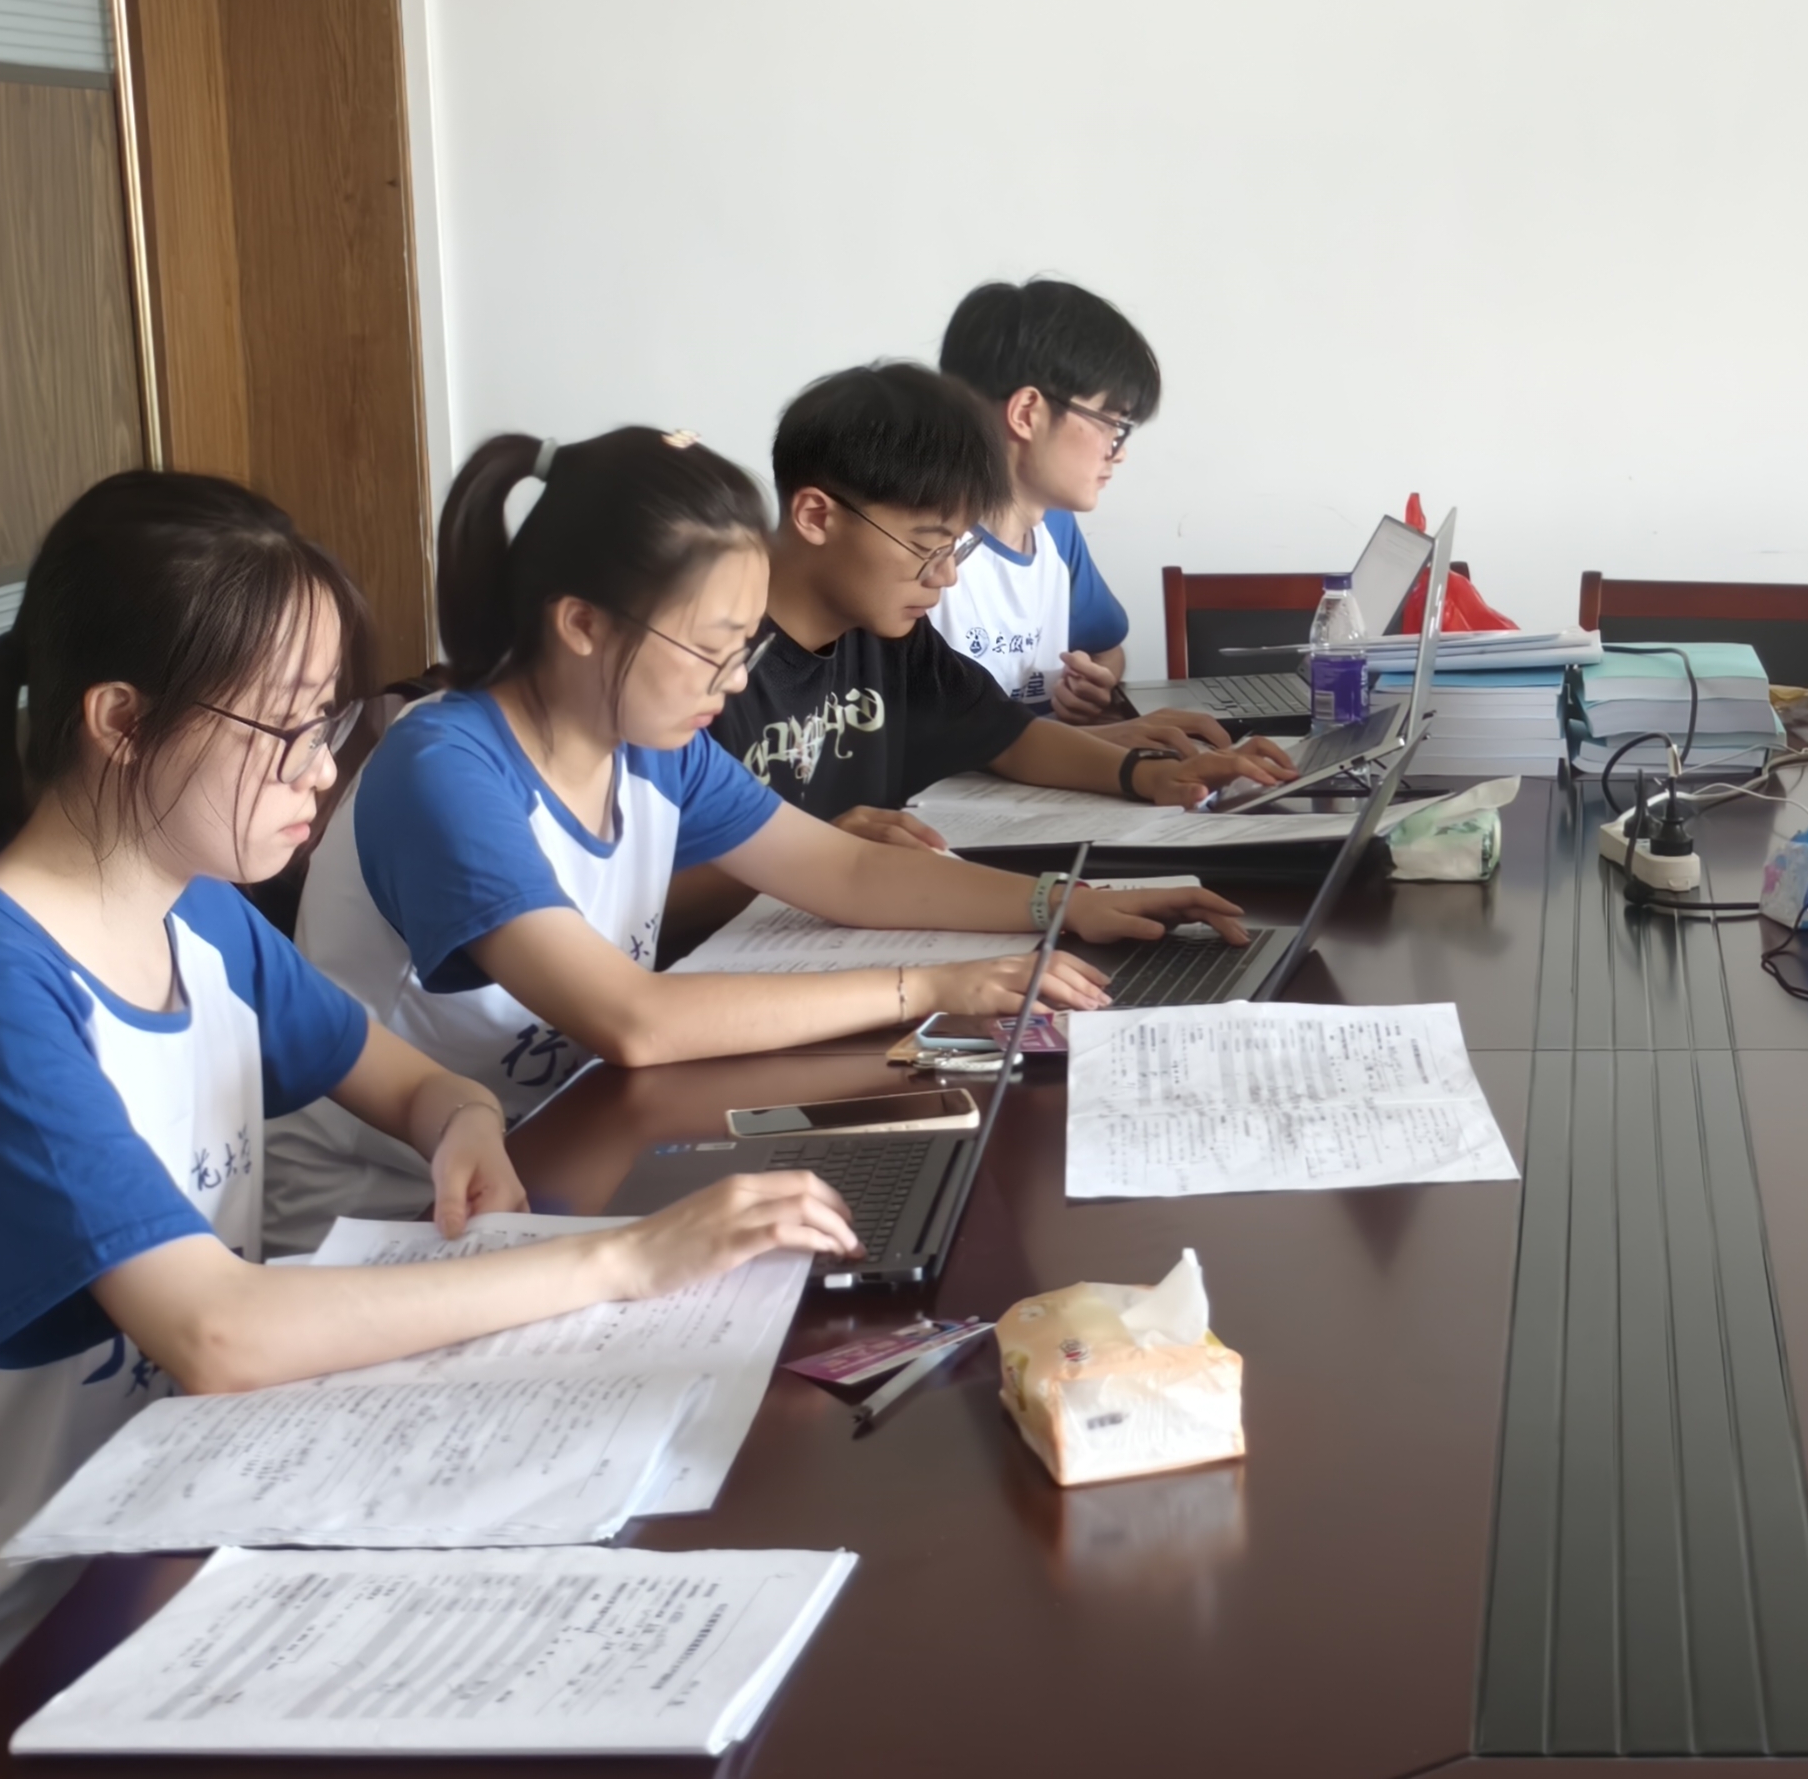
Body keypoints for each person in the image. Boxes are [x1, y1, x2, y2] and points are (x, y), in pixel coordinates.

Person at [0, 475, 863, 1779]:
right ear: (119, 719)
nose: (322, 773)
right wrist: (623, 1263)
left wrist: (462, 1120)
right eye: (285, 730)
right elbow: (216, 1332)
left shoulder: (199, 913)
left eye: (331, 723)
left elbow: (413, 1083)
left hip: (127, 1582)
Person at [267, 425, 1248, 1250]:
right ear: (583, 624)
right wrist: (932, 987)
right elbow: (633, 1021)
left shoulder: (645, 743)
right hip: (391, 1221)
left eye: (744, 649)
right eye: (711, 649)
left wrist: (1068, 904)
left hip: (566, 1151)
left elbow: (846, 872)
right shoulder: (446, 768)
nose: (735, 682)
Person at [711, 363, 1294, 851]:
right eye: (926, 545)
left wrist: (1151, 774)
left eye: (956, 547)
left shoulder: (889, 639)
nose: (946, 575)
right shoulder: (708, 663)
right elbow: (668, 879)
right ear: (817, 516)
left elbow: (1004, 733)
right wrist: (810, 852)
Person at [934, 277, 1161, 723]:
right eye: (1110, 422)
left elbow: (1106, 649)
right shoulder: (921, 543)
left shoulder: (1054, 528)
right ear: (1027, 414)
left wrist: (1094, 683)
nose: (1118, 450)